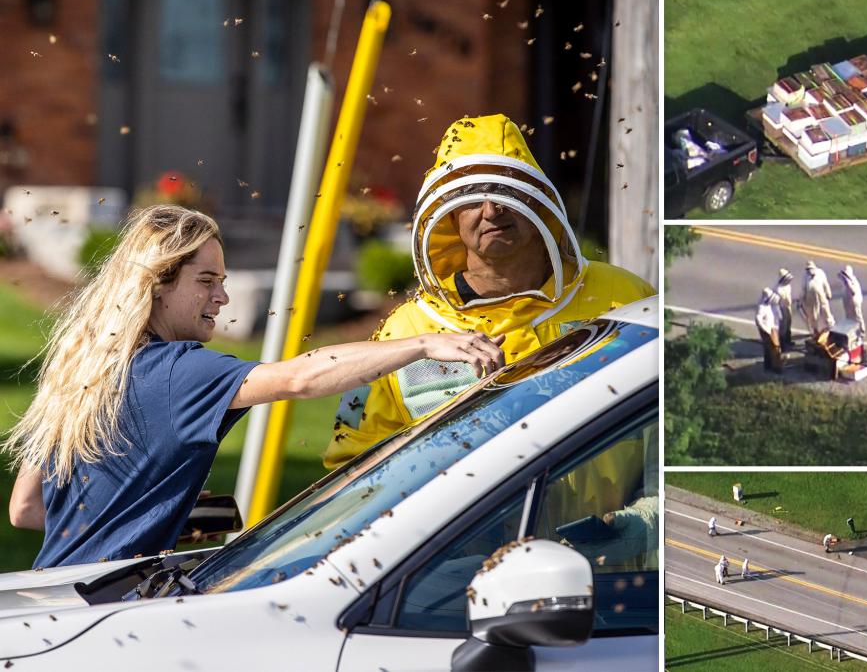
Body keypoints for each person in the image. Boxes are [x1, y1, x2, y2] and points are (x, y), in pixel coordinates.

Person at [4, 205, 505, 568]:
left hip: (55, 601)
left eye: (222, 280)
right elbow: (301, 376)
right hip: (114, 612)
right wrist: (421, 345)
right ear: (158, 282)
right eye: (205, 280)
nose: (222, 297)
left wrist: (163, 511)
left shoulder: (84, 371)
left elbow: (25, 508)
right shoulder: (180, 372)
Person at [325, 113, 655, 469]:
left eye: (506, 188)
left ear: (538, 201)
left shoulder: (625, 295)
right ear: (448, 214)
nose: (491, 209)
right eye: (470, 195)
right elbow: (351, 469)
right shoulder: (402, 333)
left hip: (606, 524)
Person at [801, 260, 834, 338]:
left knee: (826, 311)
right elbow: (803, 289)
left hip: (821, 296)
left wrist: (828, 293)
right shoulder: (805, 277)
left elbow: (825, 283)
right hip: (811, 299)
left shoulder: (820, 273)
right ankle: (815, 330)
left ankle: (831, 327)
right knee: (813, 315)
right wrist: (802, 299)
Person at [755, 287, 783, 373]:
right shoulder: (761, 307)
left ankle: (769, 365)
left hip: (772, 328)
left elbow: (777, 313)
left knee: (770, 349)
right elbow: (758, 320)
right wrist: (766, 330)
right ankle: (775, 367)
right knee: (773, 349)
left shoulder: (770, 305)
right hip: (767, 331)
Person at [838, 265, 865, 338]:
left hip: (854, 301)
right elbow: (839, 276)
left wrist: (847, 282)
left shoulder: (851, 281)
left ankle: (861, 331)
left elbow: (853, 292)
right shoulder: (847, 278)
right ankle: (851, 330)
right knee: (849, 316)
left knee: (857, 316)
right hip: (848, 300)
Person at [775, 268, 794, 349]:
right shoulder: (778, 289)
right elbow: (786, 300)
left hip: (787, 306)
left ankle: (788, 340)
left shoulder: (787, 286)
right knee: (783, 326)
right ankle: (783, 345)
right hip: (781, 308)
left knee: (789, 323)